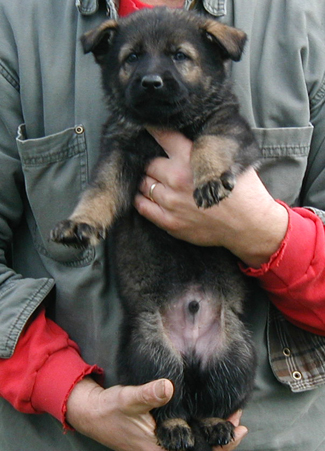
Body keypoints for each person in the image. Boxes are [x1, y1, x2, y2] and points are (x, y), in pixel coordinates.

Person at [0, 0, 324, 450]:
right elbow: (113, 178)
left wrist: (261, 231)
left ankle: (212, 414)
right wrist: (74, 397)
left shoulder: (304, 21)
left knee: (229, 355)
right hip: (72, 422)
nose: (152, 74)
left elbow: (224, 138)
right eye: (134, 58)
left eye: (179, 57)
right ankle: (170, 421)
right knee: (151, 347)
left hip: (274, 427)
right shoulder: (16, 24)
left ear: (215, 59)